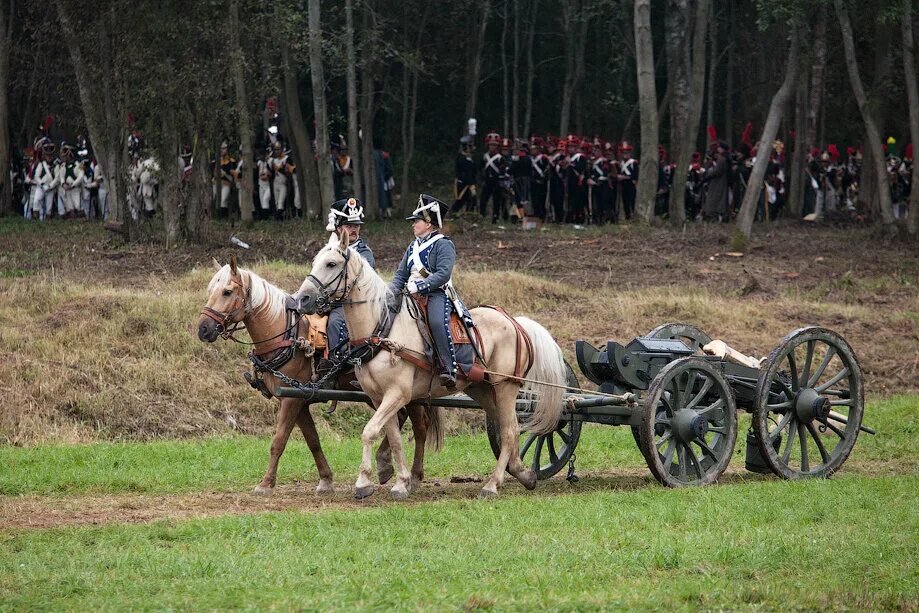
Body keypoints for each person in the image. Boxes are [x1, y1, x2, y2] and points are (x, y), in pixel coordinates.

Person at [390, 194, 469, 388]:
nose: (413, 224)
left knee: (435, 321)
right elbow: (401, 274)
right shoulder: (412, 247)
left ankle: (448, 368)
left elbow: (442, 274)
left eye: (416, 221)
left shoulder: (444, 244)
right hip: (409, 294)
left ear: (428, 223)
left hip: (436, 293)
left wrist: (420, 286)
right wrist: (390, 291)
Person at [321, 197, 375, 373]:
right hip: (329, 301)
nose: (354, 229)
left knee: (335, 322)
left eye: (356, 226)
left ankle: (338, 368)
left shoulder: (364, 252)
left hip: (353, 304)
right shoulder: (329, 250)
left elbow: (361, 285)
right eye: (349, 226)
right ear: (338, 228)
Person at [452, 135, 478, 214]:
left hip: (469, 184)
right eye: (470, 147)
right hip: (463, 184)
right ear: (467, 147)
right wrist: (471, 183)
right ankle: (451, 216)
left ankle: (469, 216)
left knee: (472, 201)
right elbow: (465, 173)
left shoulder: (468, 158)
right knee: (460, 202)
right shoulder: (461, 159)